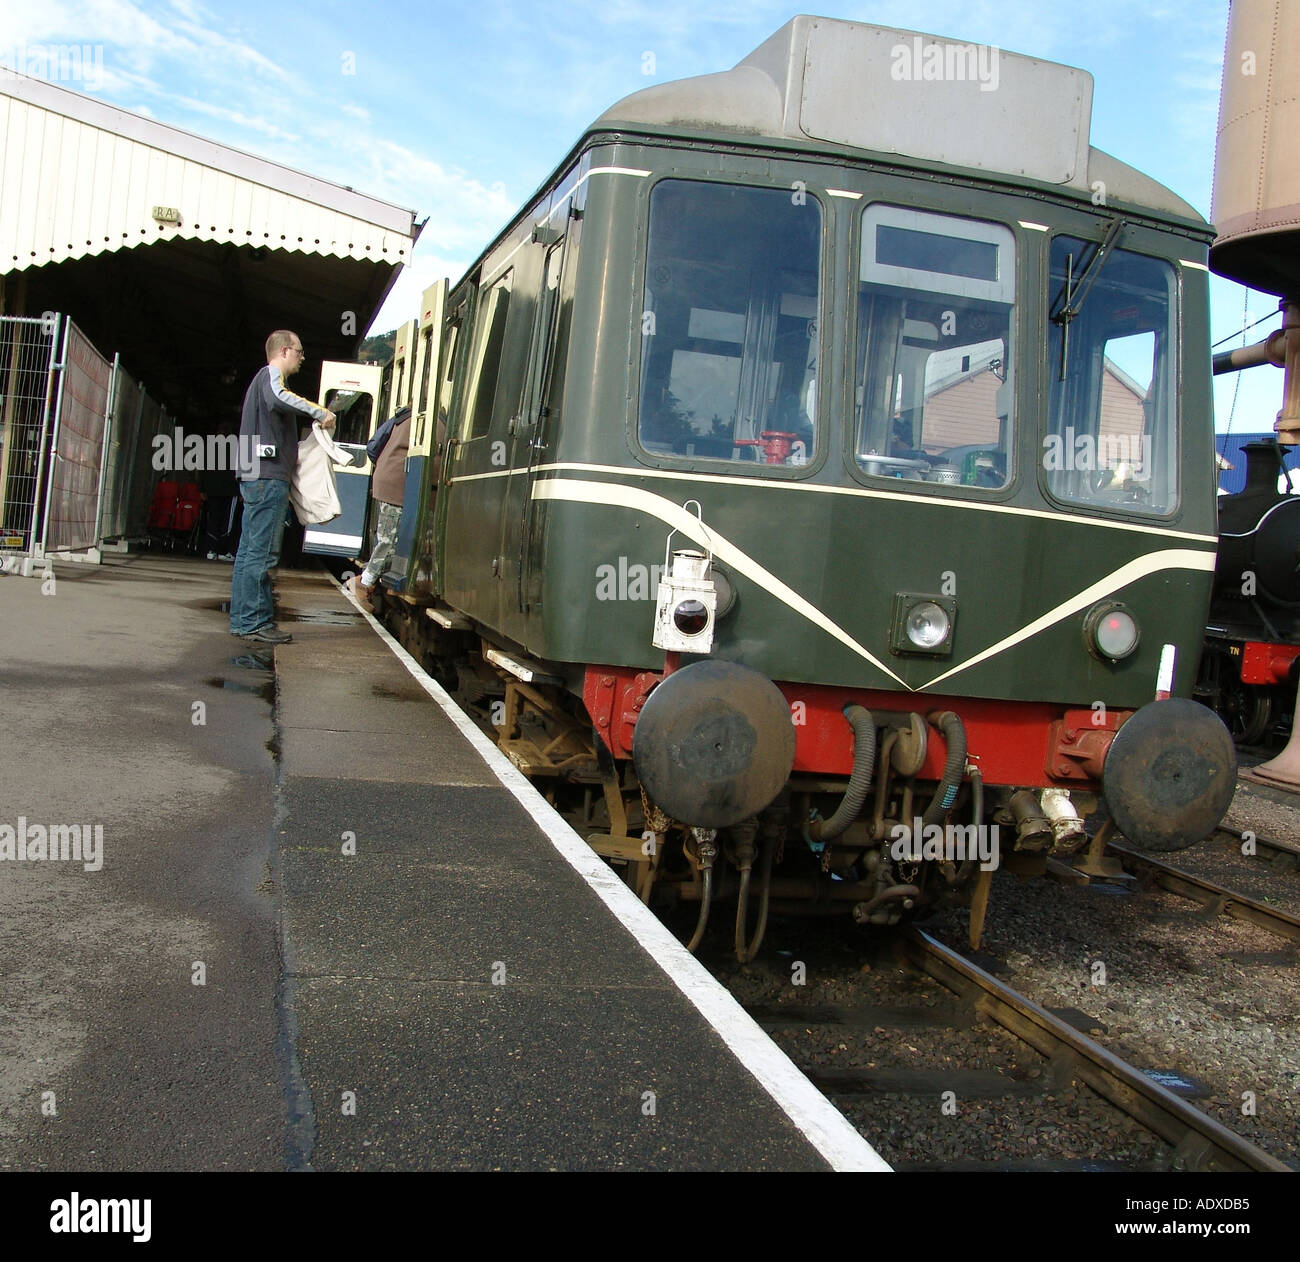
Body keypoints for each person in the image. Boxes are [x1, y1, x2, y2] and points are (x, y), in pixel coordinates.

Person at [229, 330, 335, 644]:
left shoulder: (260, 381)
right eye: (300, 352)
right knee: (262, 555)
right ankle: (254, 623)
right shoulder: (271, 377)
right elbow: (280, 398)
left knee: (248, 554)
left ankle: (242, 621)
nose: (303, 358)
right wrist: (320, 411)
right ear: (285, 350)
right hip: (267, 476)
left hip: (255, 475)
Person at [348, 405, 411, 610]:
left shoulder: (402, 417)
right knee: (388, 540)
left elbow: (373, 447)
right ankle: (363, 583)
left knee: (389, 539)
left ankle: (369, 581)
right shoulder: (429, 421)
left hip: (389, 481)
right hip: (396, 485)